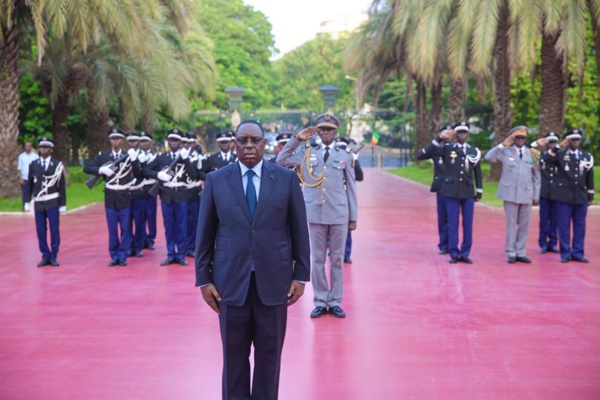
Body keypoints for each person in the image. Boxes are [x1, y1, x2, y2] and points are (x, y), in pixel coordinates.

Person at [195, 120, 310, 400]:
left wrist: (301, 275)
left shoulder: (285, 179)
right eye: (243, 140)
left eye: (255, 140)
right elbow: (205, 232)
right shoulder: (216, 180)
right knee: (233, 359)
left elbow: (299, 228)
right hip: (229, 283)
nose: (249, 145)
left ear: (264, 143)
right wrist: (204, 279)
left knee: (269, 359)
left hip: (274, 282)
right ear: (234, 143)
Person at [277, 112, 357, 319]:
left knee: (337, 259)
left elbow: (351, 187)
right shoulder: (307, 151)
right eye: (322, 129)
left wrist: (353, 216)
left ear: (336, 131)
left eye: (330, 129)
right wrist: (297, 139)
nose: (326, 133)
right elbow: (281, 159)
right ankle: (321, 300)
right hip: (315, 212)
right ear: (317, 131)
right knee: (318, 259)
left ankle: (336, 301)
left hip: (339, 212)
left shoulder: (345, 153)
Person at [417, 121, 483, 264]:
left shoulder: (473, 150)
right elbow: (421, 155)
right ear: (455, 134)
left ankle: (465, 253)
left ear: (468, 134)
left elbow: (478, 172)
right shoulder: (447, 148)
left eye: (464, 132)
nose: (462, 135)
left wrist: (479, 190)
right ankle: (453, 252)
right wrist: (439, 138)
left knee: (468, 224)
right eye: (459, 132)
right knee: (452, 223)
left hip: (467, 191)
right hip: (450, 191)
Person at [84, 128, 142, 266]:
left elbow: (139, 174)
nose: (115, 141)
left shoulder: (129, 155)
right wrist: (100, 170)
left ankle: (123, 255)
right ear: (110, 140)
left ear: (122, 140)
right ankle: (114, 255)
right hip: (110, 196)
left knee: (125, 228)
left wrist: (134, 161)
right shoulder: (103, 156)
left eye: (118, 138)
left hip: (124, 196)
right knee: (112, 229)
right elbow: (86, 168)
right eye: (113, 138)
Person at [484, 126, 540, 263]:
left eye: (523, 137)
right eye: (517, 137)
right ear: (513, 138)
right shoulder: (505, 152)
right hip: (510, 193)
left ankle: (521, 251)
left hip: (526, 193)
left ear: (526, 139)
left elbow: (537, 177)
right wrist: (503, 144)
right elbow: (488, 157)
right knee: (511, 224)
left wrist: (536, 196)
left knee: (524, 225)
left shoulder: (532, 154)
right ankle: (511, 252)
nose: (520, 140)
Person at [144, 128, 198, 266]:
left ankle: (180, 254)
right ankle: (170, 254)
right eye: (171, 140)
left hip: (181, 194)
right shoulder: (162, 157)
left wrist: (186, 160)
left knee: (181, 226)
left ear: (180, 142)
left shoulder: (185, 157)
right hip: (167, 194)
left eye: (176, 140)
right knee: (169, 226)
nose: (174, 142)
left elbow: (193, 175)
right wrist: (158, 175)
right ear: (168, 141)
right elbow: (146, 169)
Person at [542, 129, 594, 263]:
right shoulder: (560, 154)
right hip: (563, 197)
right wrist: (559, 146)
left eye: (577, 139)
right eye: (573, 139)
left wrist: (590, 195)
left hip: (580, 197)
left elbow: (590, 176)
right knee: (564, 226)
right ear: (568, 141)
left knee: (580, 226)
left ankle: (577, 252)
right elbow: (546, 159)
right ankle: (565, 253)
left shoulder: (586, 156)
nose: (576, 142)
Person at [24, 137, 66, 267]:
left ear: (51, 150)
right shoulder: (34, 164)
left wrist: (63, 204)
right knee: (40, 230)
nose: (44, 149)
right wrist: (27, 201)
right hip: (39, 203)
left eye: (47, 147)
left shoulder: (57, 165)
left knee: (54, 229)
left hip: (52, 201)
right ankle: (45, 255)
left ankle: (53, 255)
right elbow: (29, 184)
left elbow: (62, 186)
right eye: (42, 147)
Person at [416, 124, 452, 255]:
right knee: (442, 218)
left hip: (455, 188)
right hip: (441, 188)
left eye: (449, 133)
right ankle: (443, 244)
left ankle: (452, 244)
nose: (447, 135)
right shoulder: (436, 150)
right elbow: (420, 155)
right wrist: (438, 139)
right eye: (445, 133)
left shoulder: (457, 148)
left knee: (452, 219)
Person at [336, 137, 364, 264]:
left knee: (346, 228)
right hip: (331, 197)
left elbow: (359, 177)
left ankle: (346, 254)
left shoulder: (350, 158)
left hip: (345, 198)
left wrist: (355, 160)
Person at [532, 132, 560, 254]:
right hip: (544, 191)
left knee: (555, 219)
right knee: (544, 219)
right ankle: (543, 243)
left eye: (554, 141)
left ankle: (553, 243)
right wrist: (537, 143)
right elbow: (530, 150)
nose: (552, 144)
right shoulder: (541, 155)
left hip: (557, 193)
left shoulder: (561, 155)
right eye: (550, 141)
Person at [136, 131, 158, 251]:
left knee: (151, 215)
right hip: (139, 188)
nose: (143, 144)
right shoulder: (136, 155)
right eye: (142, 141)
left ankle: (151, 239)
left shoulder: (155, 156)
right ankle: (142, 238)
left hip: (150, 187)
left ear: (150, 142)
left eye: (145, 141)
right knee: (140, 216)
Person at [18, 141, 39, 211]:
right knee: (25, 194)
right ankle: (25, 208)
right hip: (25, 178)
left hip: (33, 178)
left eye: (29, 146)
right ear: (25, 147)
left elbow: (38, 168)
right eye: (26, 146)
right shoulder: (21, 156)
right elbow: (20, 168)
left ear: (31, 147)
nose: (28, 147)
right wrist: (20, 179)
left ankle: (34, 208)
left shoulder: (35, 156)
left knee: (34, 193)